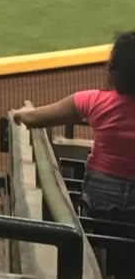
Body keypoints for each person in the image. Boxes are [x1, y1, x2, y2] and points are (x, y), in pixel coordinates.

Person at [14, 32, 135, 217]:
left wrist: (22, 113)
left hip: (99, 199)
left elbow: (32, 118)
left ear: (115, 69)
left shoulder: (94, 101)